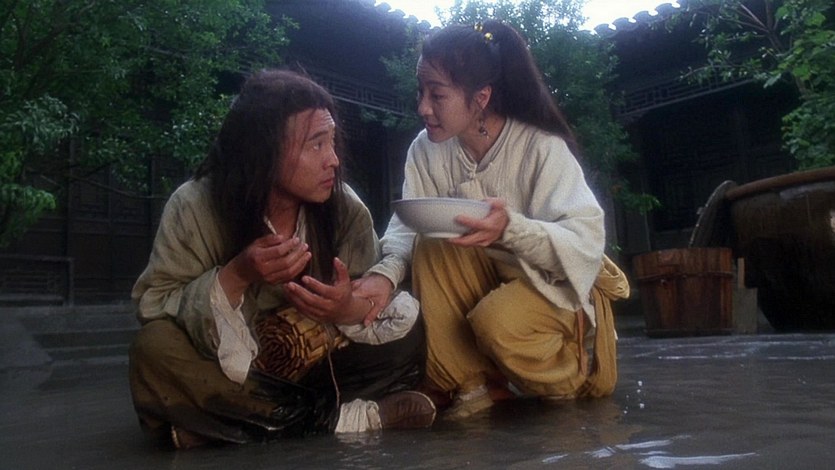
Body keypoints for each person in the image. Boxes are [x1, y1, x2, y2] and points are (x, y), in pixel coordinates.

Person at [129, 69, 435, 450]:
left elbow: (372, 297)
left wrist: (346, 307)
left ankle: (231, 425)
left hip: (318, 368)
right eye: (316, 145)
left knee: (410, 334)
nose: (333, 160)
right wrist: (235, 276)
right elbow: (154, 303)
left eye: (333, 143)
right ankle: (343, 419)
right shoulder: (194, 206)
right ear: (263, 151)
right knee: (153, 348)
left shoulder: (345, 209)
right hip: (236, 371)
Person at [353, 20, 630, 419]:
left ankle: (567, 376)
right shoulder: (425, 150)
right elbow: (408, 224)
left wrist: (511, 228)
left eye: (437, 94)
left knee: (497, 321)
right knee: (431, 243)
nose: (423, 107)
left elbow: (584, 241)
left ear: (481, 97)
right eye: (420, 92)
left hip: (550, 290)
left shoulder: (540, 147)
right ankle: (475, 385)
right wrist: (385, 275)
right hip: (485, 280)